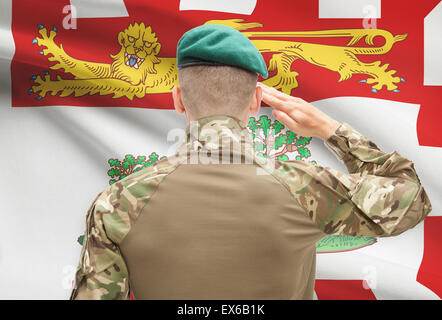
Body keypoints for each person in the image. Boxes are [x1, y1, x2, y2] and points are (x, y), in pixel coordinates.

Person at [70, 24, 431, 300]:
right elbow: (412, 198)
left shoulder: (116, 204)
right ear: (257, 100)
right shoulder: (306, 187)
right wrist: (330, 130)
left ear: (178, 99)